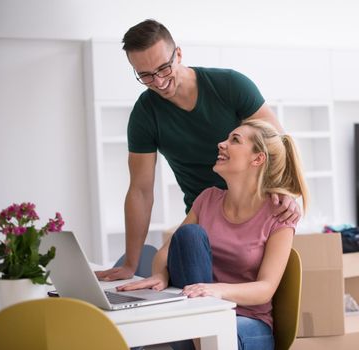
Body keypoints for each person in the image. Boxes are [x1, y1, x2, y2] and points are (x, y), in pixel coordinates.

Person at [96, 19, 301, 282]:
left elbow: (278, 144)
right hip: (203, 218)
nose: (158, 81)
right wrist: (130, 263)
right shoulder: (146, 114)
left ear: (178, 54)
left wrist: (285, 192)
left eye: (163, 68)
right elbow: (140, 190)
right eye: (145, 75)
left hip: (253, 217)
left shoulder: (229, 86)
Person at [117, 119, 309, 350]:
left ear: (257, 159)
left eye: (234, 140)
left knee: (206, 331)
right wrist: (160, 274)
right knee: (189, 235)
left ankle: (202, 333)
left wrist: (216, 291)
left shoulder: (278, 215)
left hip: (246, 322)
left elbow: (265, 288)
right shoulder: (207, 199)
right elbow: (165, 252)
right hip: (196, 318)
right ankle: (202, 333)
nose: (221, 144)